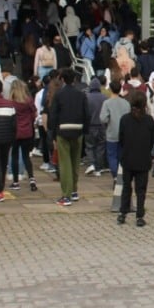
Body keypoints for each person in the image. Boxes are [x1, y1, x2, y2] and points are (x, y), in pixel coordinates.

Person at [50, 68, 91, 206]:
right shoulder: (81, 94)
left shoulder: (59, 95)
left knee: (65, 163)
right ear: (74, 79)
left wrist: (53, 133)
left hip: (63, 130)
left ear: (62, 79)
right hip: (78, 130)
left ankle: (66, 195)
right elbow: (87, 114)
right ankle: (74, 190)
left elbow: (53, 115)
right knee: (75, 162)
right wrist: (85, 130)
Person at [117, 89, 154, 227]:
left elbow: (121, 139)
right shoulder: (149, 120)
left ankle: (123, 213)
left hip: (128, 157)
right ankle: (140, 215)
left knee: (126, 187)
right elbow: (152, 141)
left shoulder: (125, 119)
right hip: (143, 158)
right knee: (141, 189)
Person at [9, 81, 38, 192]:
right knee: (26, 156)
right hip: (27, 131)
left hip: (15, 132)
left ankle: (16, 181)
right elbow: (34, 114)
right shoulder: (28, 100)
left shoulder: (11, 102)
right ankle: (32, 180)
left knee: (14, 156)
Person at [100, 80, 130, 177]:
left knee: (112, 156)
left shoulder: (107, 103)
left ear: (110, 89)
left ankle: (115, 175)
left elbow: (103, 118)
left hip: (111, 133)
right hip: (124, 134)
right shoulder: (126, 103)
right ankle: (121, 175)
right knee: (121, 156)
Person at [84, 77, 108, 175]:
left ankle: (92, 164)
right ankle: (98, 168)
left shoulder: (86, 97)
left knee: (90, 146)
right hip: (102, 126)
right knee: (100, 147)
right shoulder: (104, 98)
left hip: (90, 126)